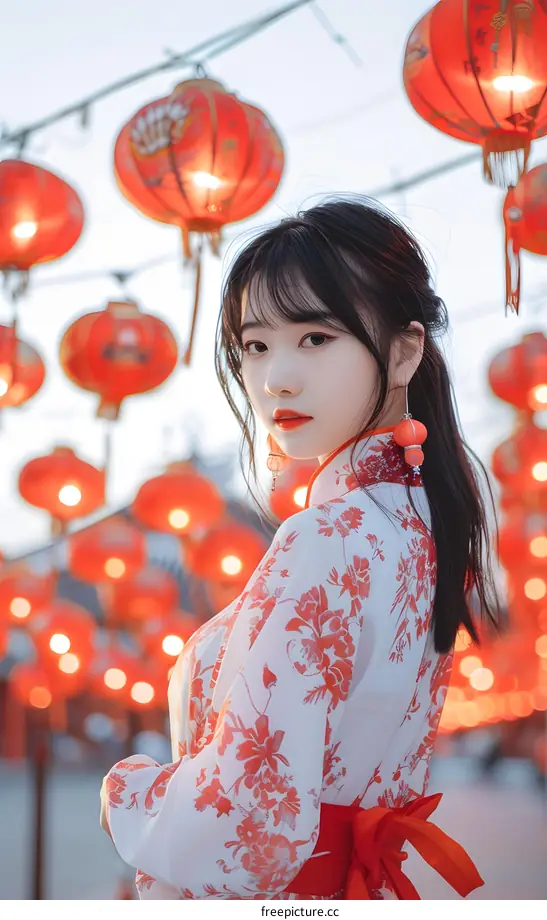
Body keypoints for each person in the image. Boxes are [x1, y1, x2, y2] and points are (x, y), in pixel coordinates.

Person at [99, 197, 500, 900]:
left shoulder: (326, 534)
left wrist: (128, 793)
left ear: (405, 350)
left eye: (315, 338)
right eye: (256, 346)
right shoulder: (421, 530)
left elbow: (247, 822)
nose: (276, 376)